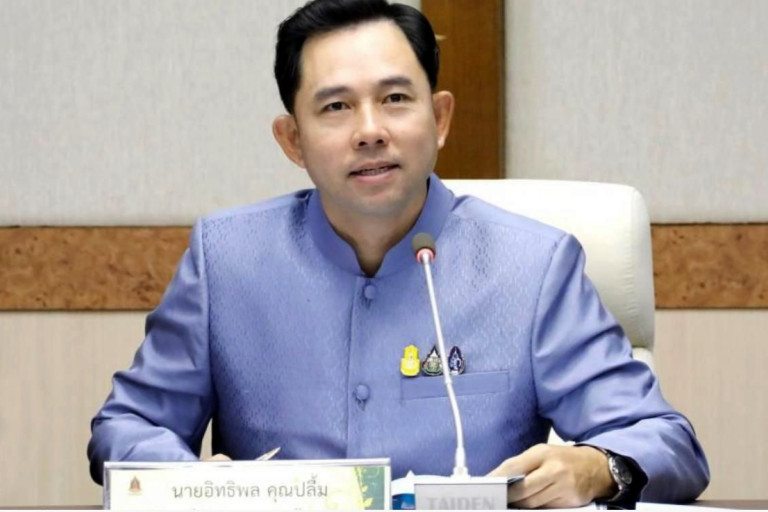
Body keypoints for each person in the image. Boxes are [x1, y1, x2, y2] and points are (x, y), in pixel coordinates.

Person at [87, 0, 709, 507]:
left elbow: (666, 440)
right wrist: (186, 482)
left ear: (439, 118)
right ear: (292, 139)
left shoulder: (534, 267)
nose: (370, 131)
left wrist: (597, 467)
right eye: (336, 107)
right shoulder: (226, 261)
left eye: (395, 99)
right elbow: (127, 426)